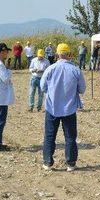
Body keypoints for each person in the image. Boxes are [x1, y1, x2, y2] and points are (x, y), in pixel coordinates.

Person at [40, 43, 86, 171]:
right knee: (70, 137)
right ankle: (71, 163)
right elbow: (82, 89)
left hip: (52, 107)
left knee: (49, 136)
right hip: (69, 108)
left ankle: (48, 162)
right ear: (69, 54)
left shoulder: (50, 69)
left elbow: (43, 87)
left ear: (57, 54)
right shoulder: (76, 70)